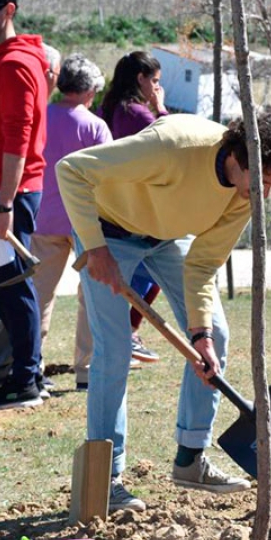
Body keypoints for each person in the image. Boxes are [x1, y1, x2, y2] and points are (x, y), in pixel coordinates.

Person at [57, 110, 271, 512]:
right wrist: (95, 247)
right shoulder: (173, 146)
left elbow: (203, 265)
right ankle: (106, 479)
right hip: (107, 230)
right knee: (114, 352)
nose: (266, 193)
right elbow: (71, 170)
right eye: (265, 180)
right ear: (241, 157)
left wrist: (200, 335)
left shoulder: (244, 194)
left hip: (166, 238)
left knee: (215, 336)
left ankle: (190, 459)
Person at [0, 41, 62, 393]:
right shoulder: (2, 62)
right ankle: (27, 372)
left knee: (12, 286)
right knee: (5, 284)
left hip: (3, 194)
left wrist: (4, 206)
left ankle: (25, 378)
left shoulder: (16, 66)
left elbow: (17, 140)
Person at [31, 54, 110, 392]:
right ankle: (86, 370)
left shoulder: (41, 118)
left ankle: (31, 364)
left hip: (42, 218)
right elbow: (108, 178)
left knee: (38, 296)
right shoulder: (95, 127)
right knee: (90, 296)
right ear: (90, 90)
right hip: (84, 224)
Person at [100, 50, 170, 363]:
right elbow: (170, 146)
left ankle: (126, 334)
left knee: (129, 279)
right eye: (154, 81)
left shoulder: (109, 108)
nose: (156, 87)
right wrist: (161, 108)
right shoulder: (139, 115)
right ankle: (128, 333)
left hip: (112, 202)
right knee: (152, 273)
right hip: (139, 207)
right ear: (140, 79)